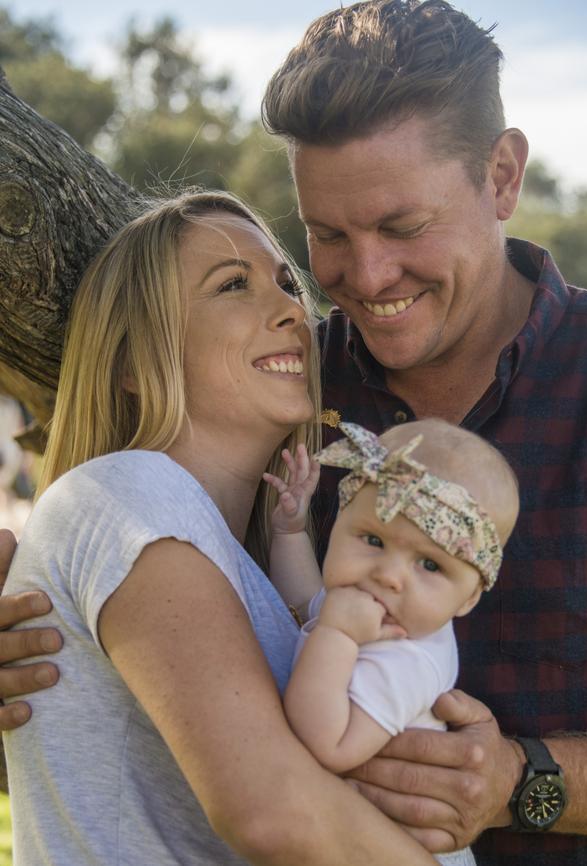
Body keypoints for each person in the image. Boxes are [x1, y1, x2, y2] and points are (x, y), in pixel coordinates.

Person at [0, 0, 587, 864]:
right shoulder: (281, 398)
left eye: (402, 226)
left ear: (501, 176)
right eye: (326, 237)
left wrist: (528, 782)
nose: (366, 277)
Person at [0, 189, 441, 866]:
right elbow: (272, 812)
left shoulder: (253, 564)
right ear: (129, 361)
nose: (294, 309)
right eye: (233, 285)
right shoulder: (127, 494)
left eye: (287, 283)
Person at [264, 417, 520, 866]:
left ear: (470, 597)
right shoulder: (368, 608)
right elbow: (307, 604)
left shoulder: (407, 660)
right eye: (372, 539)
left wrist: (338, 636)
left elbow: (328, 745)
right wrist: (289, 533)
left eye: (430, 565)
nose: (389, 574)